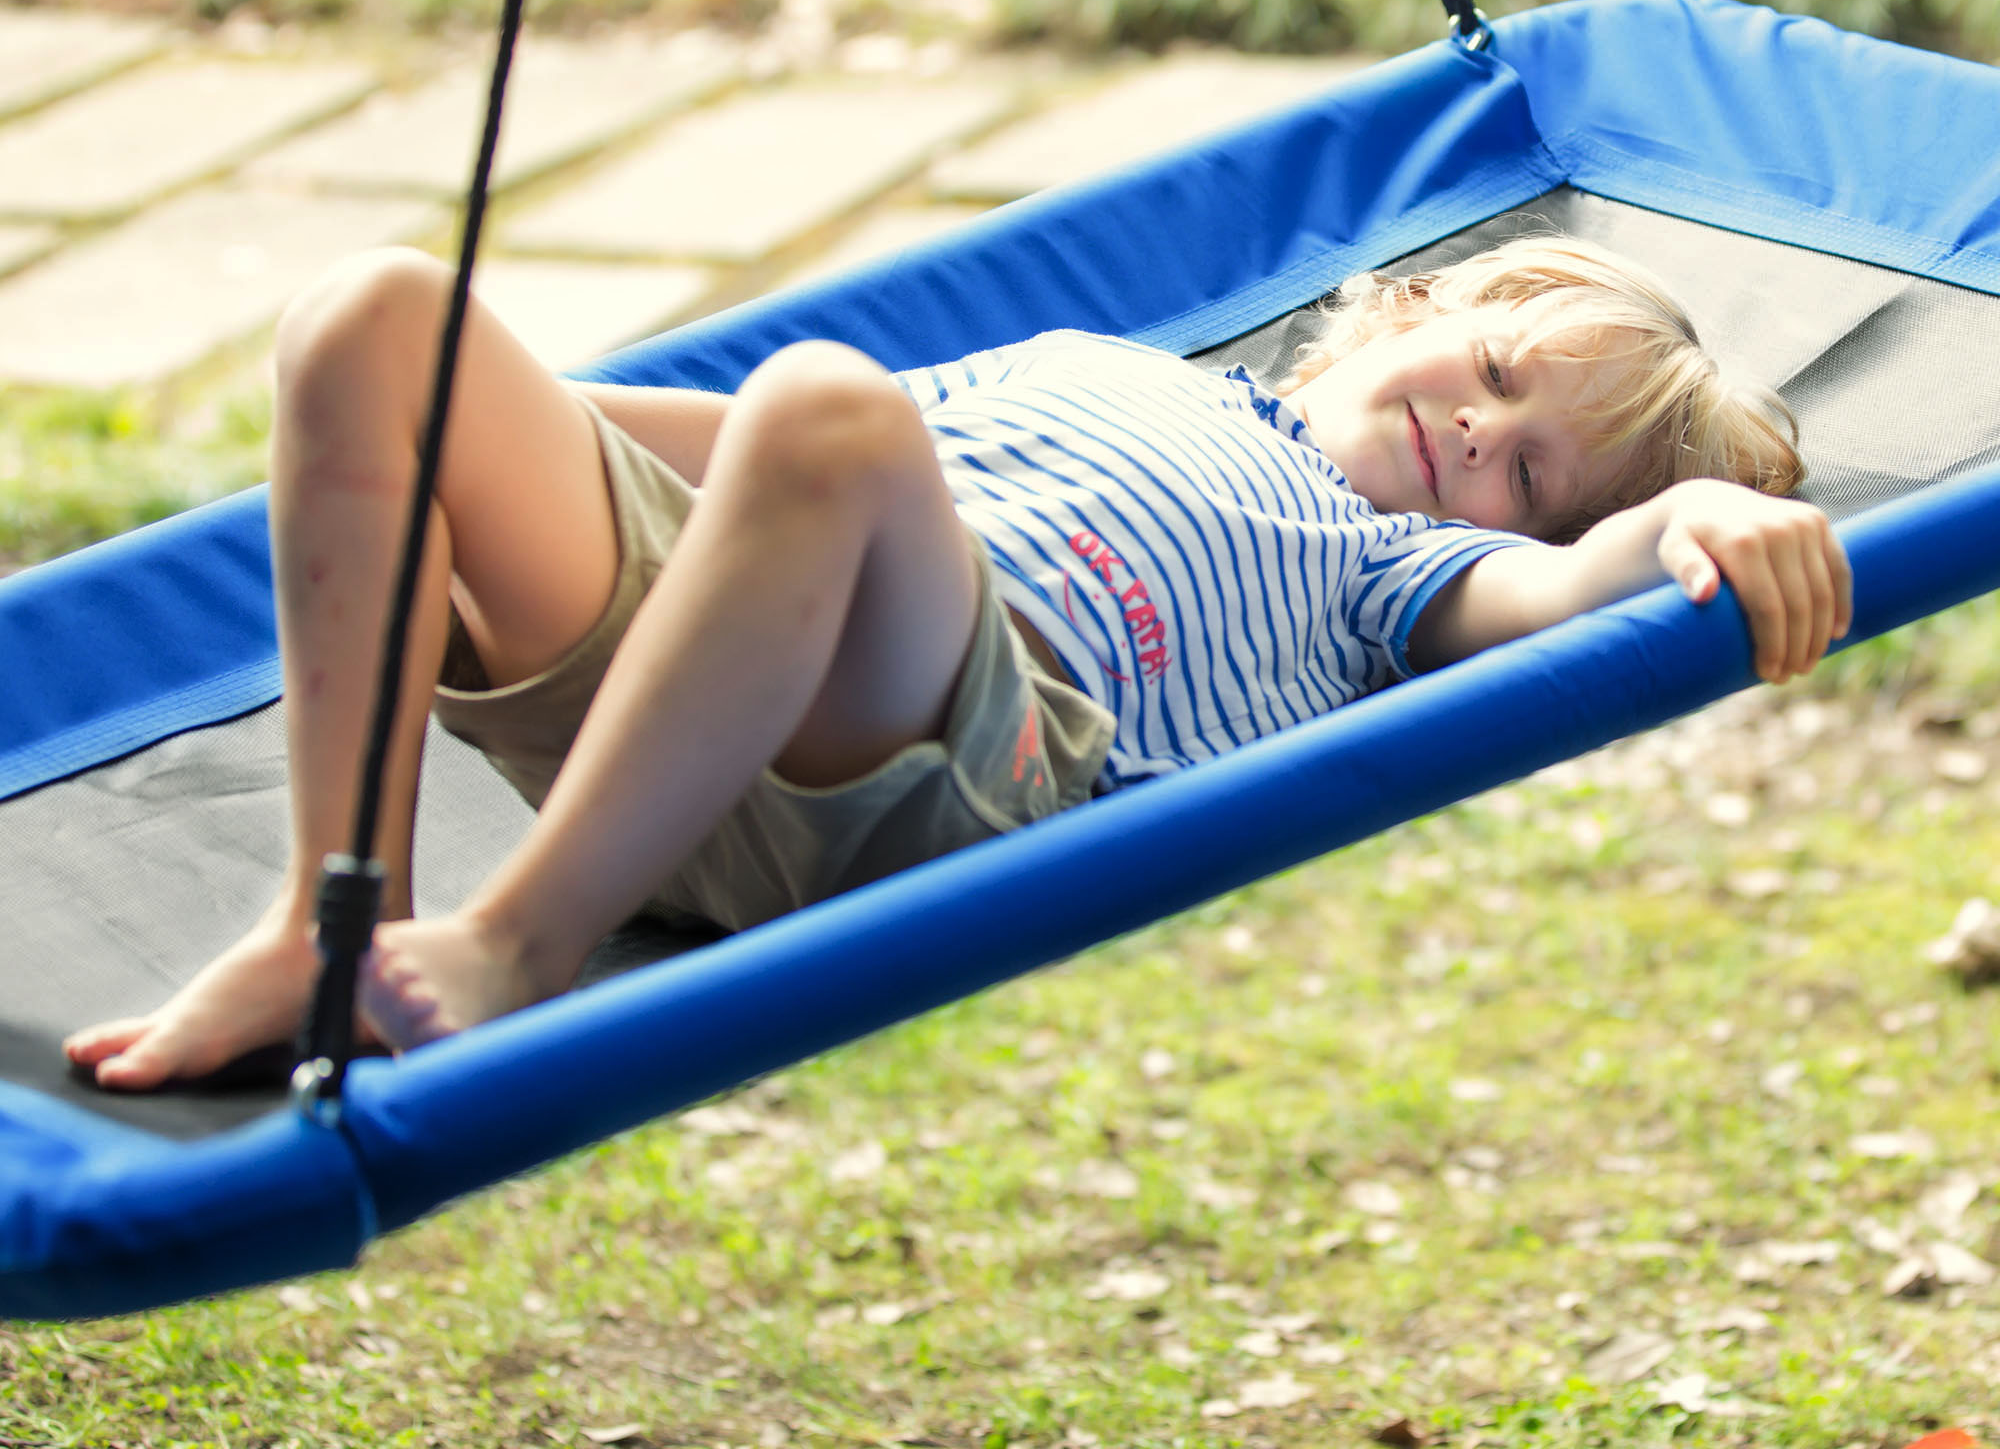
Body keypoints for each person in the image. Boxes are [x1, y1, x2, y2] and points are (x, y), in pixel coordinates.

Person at [64, 235, 1849, 1089]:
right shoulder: (1108, 360)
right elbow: (722, 451)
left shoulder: (1405, 568)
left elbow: (1569, 603)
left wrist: (1674, 529)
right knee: (378, 316)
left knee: (830, 415)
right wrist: (440, 419)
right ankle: (330, 905)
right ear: (1402, 310)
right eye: (1492, 372)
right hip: (686, 668)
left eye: (1534, 466)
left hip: (949, 764)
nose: (1479, 430)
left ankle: (514, 937)